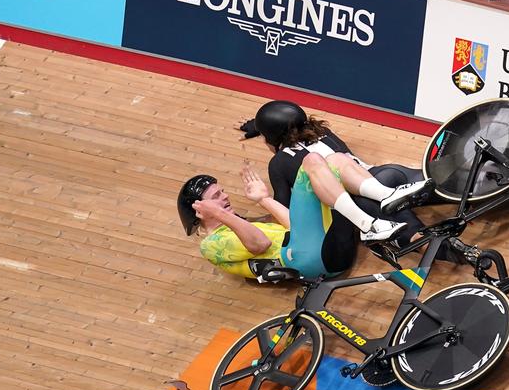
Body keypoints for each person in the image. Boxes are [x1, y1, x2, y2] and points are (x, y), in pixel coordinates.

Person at [178, 162, 426, 281]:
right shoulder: (211, 244)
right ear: (200, 211)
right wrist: (222, 215)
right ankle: (368, 224)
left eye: (222, 191)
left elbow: (294, 225)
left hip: (321, 250)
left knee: (335, 163)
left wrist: (264, 199)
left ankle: (387, 196)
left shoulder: (236, 224)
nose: (225, 196)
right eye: (216, 197)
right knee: (311, 164)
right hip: (307, 262)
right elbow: (259, 245)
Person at [239, 100, 431, 234]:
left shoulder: (279, 163)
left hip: (363, 200)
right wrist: (260, 126)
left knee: (417, 236)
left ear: (272, 137)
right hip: (384, 172)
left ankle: (456, 254)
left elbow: (282, 212)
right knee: (446, 184)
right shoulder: (322, 131)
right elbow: (291, 122)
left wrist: (256, 217)